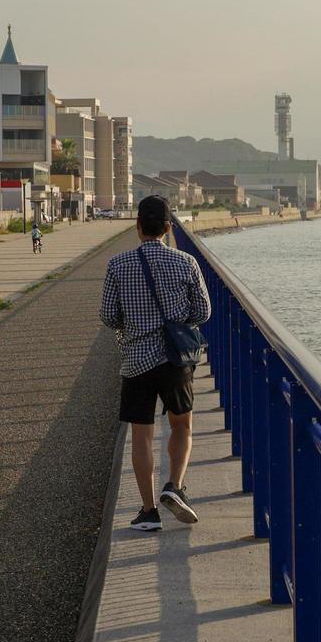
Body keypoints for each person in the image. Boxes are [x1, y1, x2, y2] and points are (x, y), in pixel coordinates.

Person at [99, 195, 211, 531]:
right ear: (168, 227)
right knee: (182, 426)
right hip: (176, 361)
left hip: (136, 361)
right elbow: (203, 311)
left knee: (142, 436)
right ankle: (174, 486)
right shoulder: (185, 262)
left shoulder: (117, 265)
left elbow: (107, 315)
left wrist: (132, 324)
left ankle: (148, 512)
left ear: (137, 227)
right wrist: (178, 322)